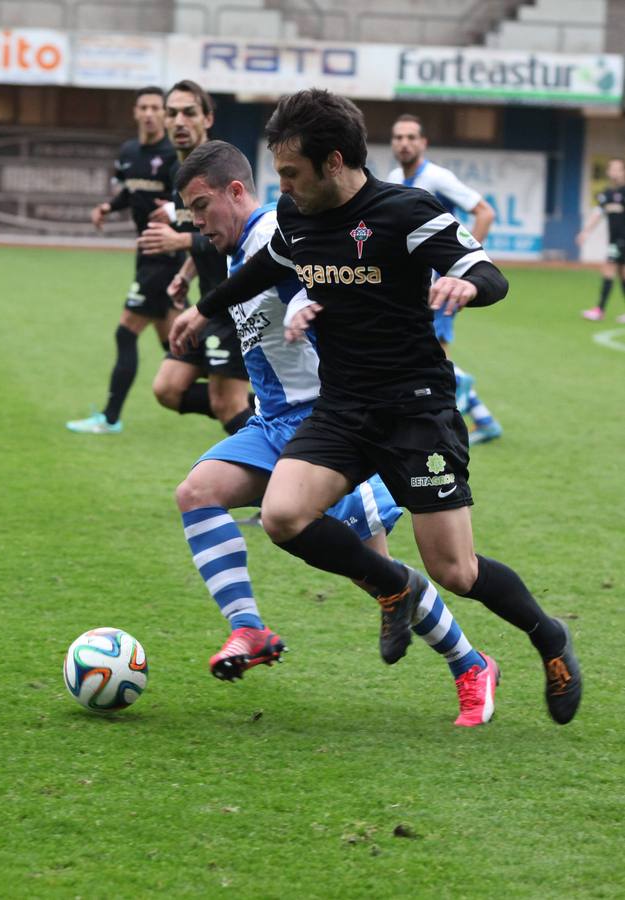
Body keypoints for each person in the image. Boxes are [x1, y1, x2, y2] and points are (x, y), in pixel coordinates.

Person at [171, 89, 582, 726]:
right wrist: (206, 308)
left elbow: (490, 273)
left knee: (456, 569)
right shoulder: (296, 217)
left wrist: (465, 282)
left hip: (417, 413)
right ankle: (393, 586)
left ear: (333, 162)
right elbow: (262, 270)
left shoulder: (404, 210)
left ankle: (548, 636)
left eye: (290, 172)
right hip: (341, 411)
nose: (282, 186)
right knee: (282, 514)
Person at [136, 80, 252, 436]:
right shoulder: (181, 172)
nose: (178, 121)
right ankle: (265, 413)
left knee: (227, 404)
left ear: (208, 118)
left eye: (189, 112)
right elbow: (204, 233)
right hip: (207, 298)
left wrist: (177, 240)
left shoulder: (220, 168)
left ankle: (279, 473)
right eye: (172, 113)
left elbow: (236, 234)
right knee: (168, 389)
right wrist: (186, 274)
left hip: (235, 299)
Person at [66, 86, 183, 434]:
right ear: (135, 112)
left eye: (155, 107)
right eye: (143, 107)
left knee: (126, 331)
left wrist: (174, 211)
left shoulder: (174, 156)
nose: (149, 113)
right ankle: (237, 397)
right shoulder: (130, 151)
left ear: (163, 113)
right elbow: (130, 193)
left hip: (165, 253)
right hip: (144, 252)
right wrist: (108, 207)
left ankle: (110, 418)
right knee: (176, 343)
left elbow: (185, 202)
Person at [387, 114, 502, 446]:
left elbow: (485, 211)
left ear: (423, 143)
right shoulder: (394, 177)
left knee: (430, 354)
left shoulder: (437, 177)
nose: (404, 143)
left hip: (437, 287)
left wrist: (459, 269)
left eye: (411, 137)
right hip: (407, 287)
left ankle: (457, 390)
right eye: (398, 137)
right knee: (420, 352)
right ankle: (484, 419)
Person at [576, 156, 625, 323]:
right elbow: (598, 213)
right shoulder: (607, 193)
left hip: (622, 240)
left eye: (617, 169)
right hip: (615, 240)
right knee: (620, 273)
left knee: (609, 270)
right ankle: (600, 309)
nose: (613, 172)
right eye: (611, 169)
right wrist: (585, 232)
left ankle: (600, 310)